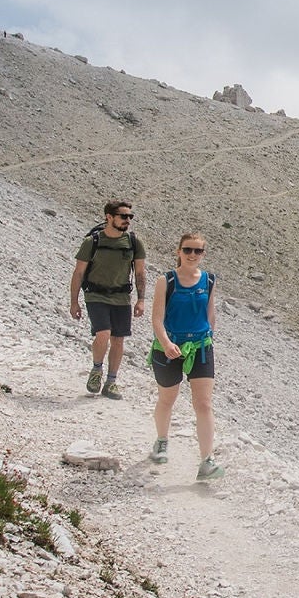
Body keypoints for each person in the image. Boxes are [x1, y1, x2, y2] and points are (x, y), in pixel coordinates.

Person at [148, 231, 221, 480]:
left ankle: (207, 460)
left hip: (200, 347)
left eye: (197, 251)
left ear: (203, 254)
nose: (192, 255)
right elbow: (156, 318)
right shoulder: (166, 281)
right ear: (178, 251)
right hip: (169, 346)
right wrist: (166, 343)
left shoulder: (209, 280)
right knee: (167, 398)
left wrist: (209, 333)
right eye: (187, 250)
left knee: (204, 403)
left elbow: (210, 312)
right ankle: (161, 439)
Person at [69, 202, 147, 399]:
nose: (127, 220)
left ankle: (111, 382)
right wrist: (74, 302)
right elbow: (78, 273)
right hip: (95, 294)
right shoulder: (92, 241)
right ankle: (96, 371)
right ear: (109, 217)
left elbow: (139, 273)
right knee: (103, 333)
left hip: (121, 296)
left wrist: (141, 300)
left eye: (130, 217)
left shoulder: (133, 242)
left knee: (118, 340)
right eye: (123, 216)